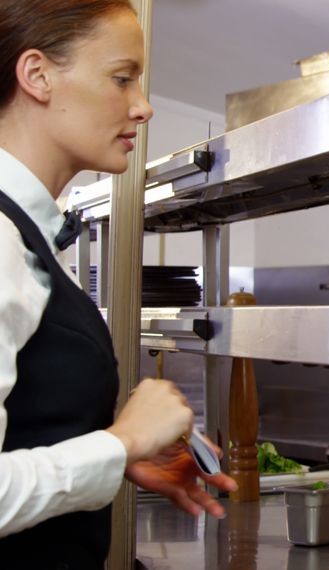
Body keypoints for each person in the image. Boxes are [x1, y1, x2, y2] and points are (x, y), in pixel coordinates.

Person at [0, 1, 236, 566]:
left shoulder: (25, 233)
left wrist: (115, 459)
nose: (144, 106)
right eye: (121, 78)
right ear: (37, 75)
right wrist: (121, 441)